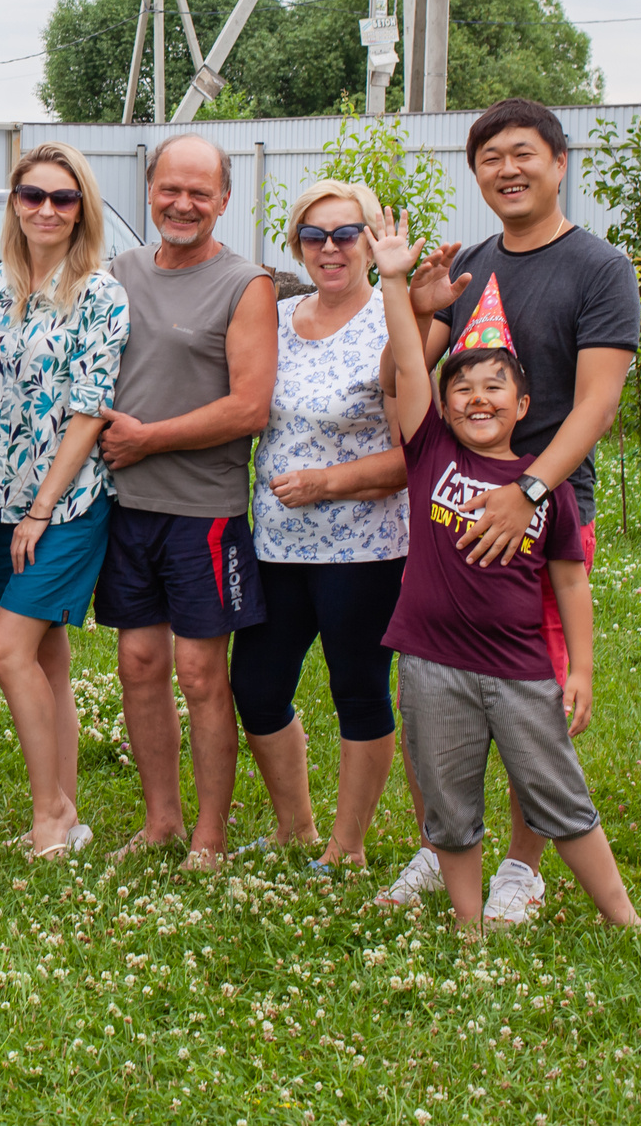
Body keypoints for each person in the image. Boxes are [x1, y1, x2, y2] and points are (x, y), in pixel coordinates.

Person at [376, 98, 638, 923]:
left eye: (524, 153)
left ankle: (522, 867)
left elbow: (597, 403)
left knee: (534, 688)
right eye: (490, 158)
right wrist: (417, 308)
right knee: (434, 680)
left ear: (560, 162)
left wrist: (527, 493)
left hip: (547, 503)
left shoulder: (599, 268)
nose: (508, 169)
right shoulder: (474, 261)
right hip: (457, 508)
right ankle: (442, 841)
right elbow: (402, 384)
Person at [97, 132, 277, 867]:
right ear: (150, 189)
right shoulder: (119, 270)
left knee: (201, 673)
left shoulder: (246, 284)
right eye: (171, 188)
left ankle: (211, 833)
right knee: (138, 664)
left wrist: (150, 439)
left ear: (224, 201)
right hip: (124, 506)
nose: (183, 203)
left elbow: (250, 408)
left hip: (203, 512)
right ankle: (161, 820)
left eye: (200, 192)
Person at [229, 179, 410, 869]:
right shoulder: (274, 316)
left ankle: (348, 846)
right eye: (314, 235)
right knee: (257, 686)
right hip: (275, 543)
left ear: (370, 240)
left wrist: (327, 483)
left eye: (345, 233)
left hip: (364, 548)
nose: (329, 248)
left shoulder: (391, 324)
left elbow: (410, 453)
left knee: (358, 687)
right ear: (296, 245)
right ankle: (295, 827)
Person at [0, 143, 127, 859]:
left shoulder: (98, 292)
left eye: (62, 198)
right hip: (0, 502)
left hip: (64, 506)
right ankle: (69, 816)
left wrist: (41, 508)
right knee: (48, 660)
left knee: (6, 647)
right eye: (32, 194)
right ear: (14, 202)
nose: (45, 209)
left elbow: (91, 410)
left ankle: (51, 811)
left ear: (82, 209)